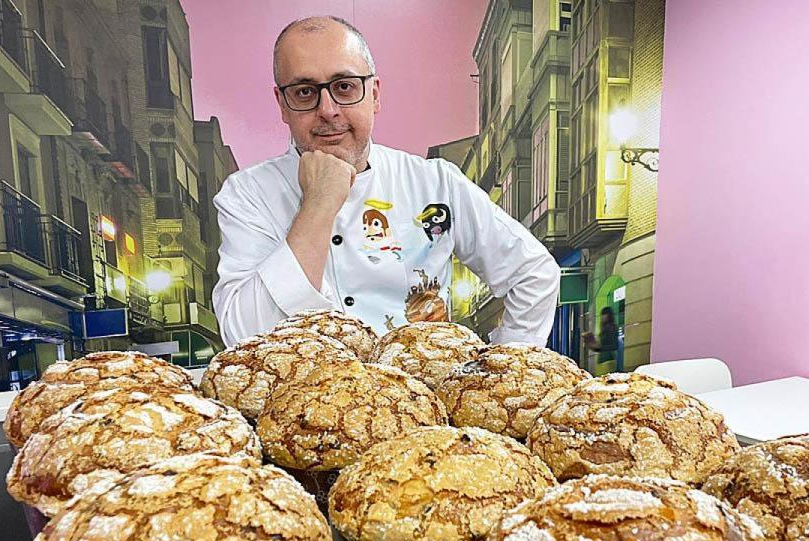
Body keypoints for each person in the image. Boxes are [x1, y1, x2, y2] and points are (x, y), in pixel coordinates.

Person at [212, 16, 560, 347]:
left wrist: (493, 371)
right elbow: (245, 334)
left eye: (344, 87)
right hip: (308, 404)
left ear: (374, 94)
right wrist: (318, 204)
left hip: (419, 401)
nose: (328, 110)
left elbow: (534, 274)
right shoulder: (247, 195)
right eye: (305, 92)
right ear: (282, 105)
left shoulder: (435, 182)